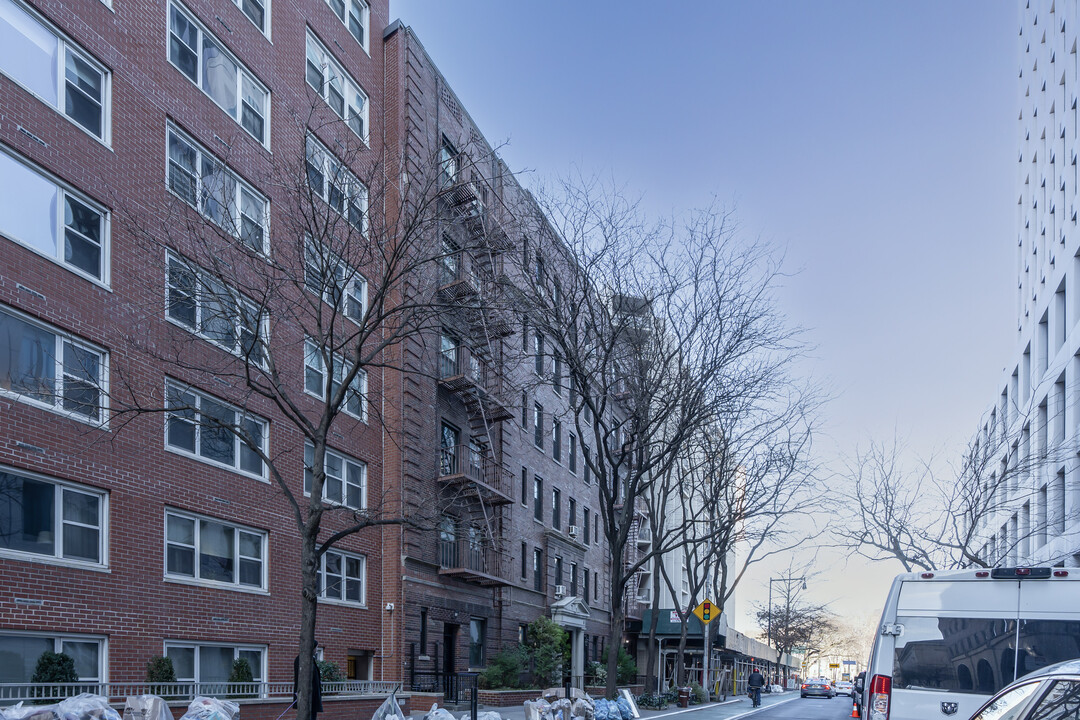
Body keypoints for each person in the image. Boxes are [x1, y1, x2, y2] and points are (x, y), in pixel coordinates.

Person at [293, 641, 324, 720]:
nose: (317, 649)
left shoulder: (310, 659)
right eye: (316, 647)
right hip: (307, 698)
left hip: (312, 698)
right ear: (312, 648)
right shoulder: (302, 659)